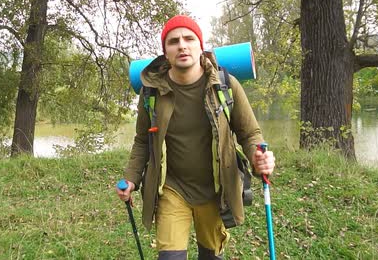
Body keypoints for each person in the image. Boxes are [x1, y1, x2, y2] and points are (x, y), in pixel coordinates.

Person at [116, 14, 276, 260]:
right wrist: (131, 178)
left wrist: (259, 158)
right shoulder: (151, 92)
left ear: (200, 47)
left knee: (211, 256)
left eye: (189, 38)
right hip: (171, 188)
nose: (182, 45)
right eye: (174, 41)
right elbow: (141, 141)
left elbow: (249, 133)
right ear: (165, 52)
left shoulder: (225, 85)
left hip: (215, 190)